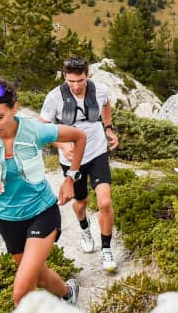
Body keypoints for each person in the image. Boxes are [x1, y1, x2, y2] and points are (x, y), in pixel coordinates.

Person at [0, 78, 87, 308]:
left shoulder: (34, 130)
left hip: (42, 211)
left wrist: (70, 178)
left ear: (14, 109)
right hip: (7, 219)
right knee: (40, 276)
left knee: (21, 292)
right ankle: (68, 293)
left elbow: (79, 136)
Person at [40, 57, 119, 273]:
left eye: (80, 80)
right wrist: (62, 144)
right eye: (71, 81)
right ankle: (84, 228)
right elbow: (43, 128)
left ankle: (106, 249)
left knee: (104, 202)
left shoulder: (99, 90)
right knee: (81, 203)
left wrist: (109, 128)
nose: (76, 86)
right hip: (72, 160)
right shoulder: (54, 97)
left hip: (97, 152)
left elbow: (106, 106)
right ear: (65, 77)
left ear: (87, 75)